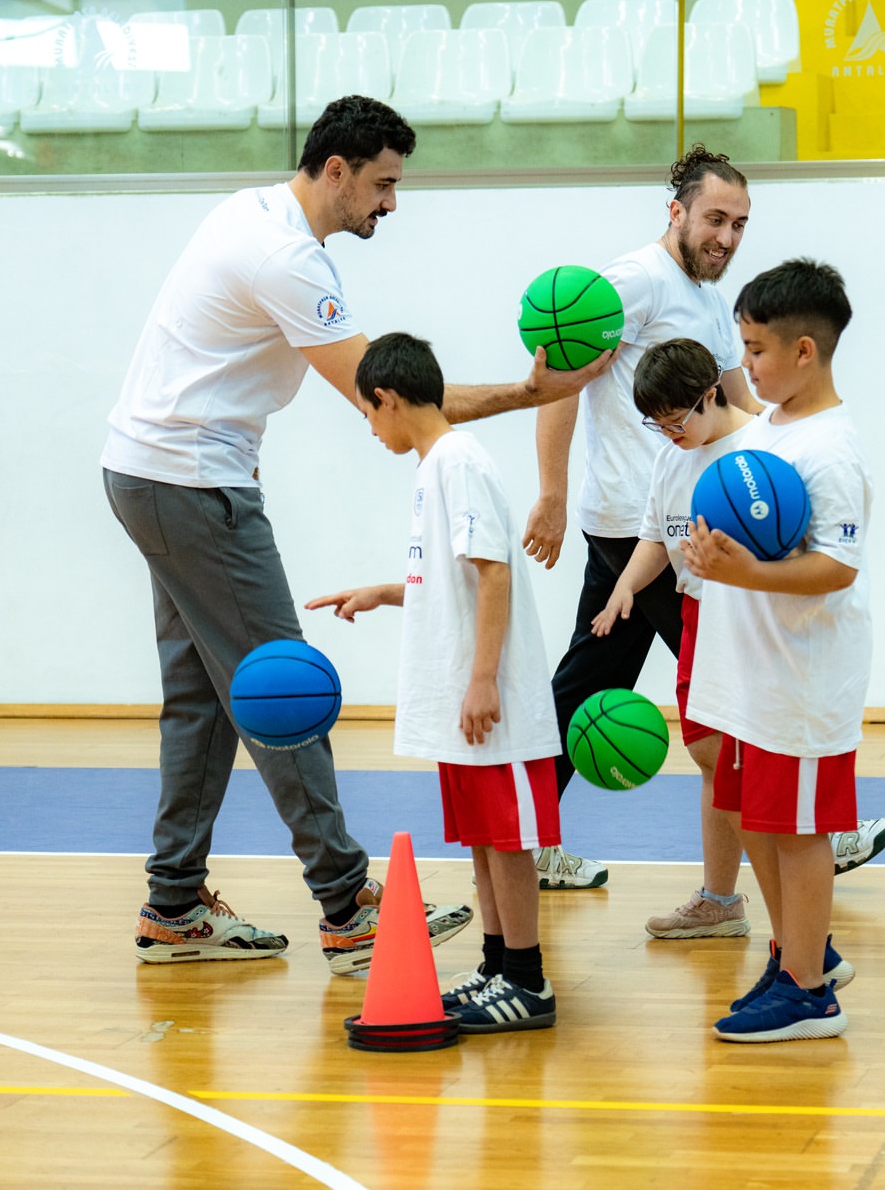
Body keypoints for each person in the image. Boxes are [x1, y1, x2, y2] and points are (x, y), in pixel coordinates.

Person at [101, 95, 607, 972]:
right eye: (382, 184)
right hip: (192, 484)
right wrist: (532, 393)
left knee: (204, 697)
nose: (390, 204)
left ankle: (173, 902)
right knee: (283, 691)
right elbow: (392, 400)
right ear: (335, 170)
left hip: (151, 473)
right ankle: (347, 903)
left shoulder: (248, 211)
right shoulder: (287, 258)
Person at [523, 146, 885, 892]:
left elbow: (745, 405)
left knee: (587, 687)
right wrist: (552, 492)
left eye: (739, 224)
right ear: (677, 211)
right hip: (648, 530)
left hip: (684, 526)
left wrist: (797, 457)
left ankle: (530, 837)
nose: (726, 236)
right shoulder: (636, 281)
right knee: (729, 694)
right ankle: (806, 831)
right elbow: (561, 373)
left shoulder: (708, 301)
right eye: (715, 218)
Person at [306, 334, 562, 1033]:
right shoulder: (434, 466)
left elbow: (494, 572)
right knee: (483, 835)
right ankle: (496, 964)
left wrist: (484, 679)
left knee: (506, 838)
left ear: (388, 397)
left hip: (491, 699)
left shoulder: (459, 461)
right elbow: (447, 578)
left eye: (367, 413)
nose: (370, 428)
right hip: (462, 696)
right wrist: (386, 591)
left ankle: (529, 982)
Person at [684, 259, 869, 1044]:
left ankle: (809, 993)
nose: (745, 364)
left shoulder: (832, 449)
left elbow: (838, 565)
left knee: (798, 832)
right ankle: (802, 949)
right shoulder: (763, 430)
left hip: (800, 680)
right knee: (753, 818)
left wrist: (748, 568)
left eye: (755, 350)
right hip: (744, 676)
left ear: (804, 351)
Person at [588, 338, 753, 940]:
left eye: (676, 420)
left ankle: (805, 862)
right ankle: (720, 899)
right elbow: (656, 537)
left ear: (711, 394)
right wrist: (624, 589)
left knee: (744, 761)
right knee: (710, 756)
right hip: (698, 615)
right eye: (656, 425)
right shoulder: (671, 456)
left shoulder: (761, 448)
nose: (668, 433)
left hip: (751, 621)